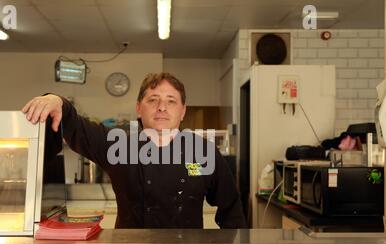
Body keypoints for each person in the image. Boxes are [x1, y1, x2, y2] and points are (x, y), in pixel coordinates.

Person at [22, 72, 246, 229]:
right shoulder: (119, 145)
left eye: (171, 101)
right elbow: (78, 128)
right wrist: (57, 101)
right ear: (139, 108)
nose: (161, 107)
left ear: (183, 111)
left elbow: (231, 209)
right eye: (153, 100)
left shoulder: (203, 151)